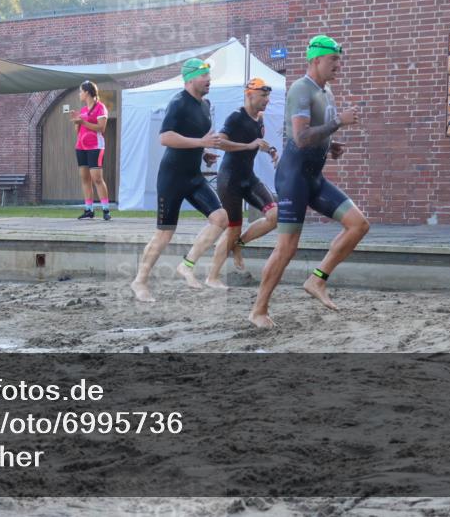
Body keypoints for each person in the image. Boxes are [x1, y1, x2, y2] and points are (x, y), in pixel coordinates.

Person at [250, 36, 370, 328]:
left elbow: (314, 133)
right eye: (333, 60)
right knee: (287, 248)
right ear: (316, 60)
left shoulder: (325, 91)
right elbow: (301, 138)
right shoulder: (301, 90)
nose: (338, 65)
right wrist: (339, 122)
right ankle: (259, 310)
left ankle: (317, 280)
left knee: (359, 225)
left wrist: (330, 145)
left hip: (313, 177)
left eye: (338, 60)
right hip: (293, 178)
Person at [130, 58, 229, 303]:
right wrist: (201, 143)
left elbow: (193, 137)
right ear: (190, 78)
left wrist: (203, 153)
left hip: (193, 175)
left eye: (209, 75)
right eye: (204, 75)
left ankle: (187, 265)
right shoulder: (177, 103)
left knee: (220, 219)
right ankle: (140, 281)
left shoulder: (205, 105)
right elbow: (165, 138)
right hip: (172, 177)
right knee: (165, 234)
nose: (209, 80)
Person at [205, 78, 279, 289]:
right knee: (232, 230)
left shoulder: (260, 119)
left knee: (275, 215)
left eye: (268, 96)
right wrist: (249, 145)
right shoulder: (236, 117)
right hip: (230, 180)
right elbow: (219, 142)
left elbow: (257, 142)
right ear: (249, 94)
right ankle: (212, 276)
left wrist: (271, 150)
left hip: (249, 177)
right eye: (263, 95)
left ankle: (239, 244)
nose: (267, 100)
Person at [71, 81, 111, 220]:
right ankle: (89, 209)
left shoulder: (101, 107)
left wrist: (83, 122)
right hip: (81, 147)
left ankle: (106, 209)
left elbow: (101, 128)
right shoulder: (82, 111)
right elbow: (78, 131)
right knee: (85, 178)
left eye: (81, 91)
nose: (79, 94)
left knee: (97, 178)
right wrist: (77, 122)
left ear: (87, 92)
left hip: (95, 146)